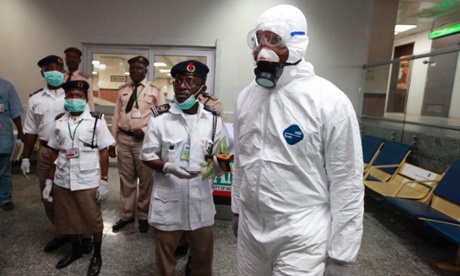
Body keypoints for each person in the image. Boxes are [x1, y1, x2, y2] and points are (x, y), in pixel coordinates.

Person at [231, 5, 364, 276]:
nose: (262, 50)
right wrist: (236, 209)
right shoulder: (247, 97)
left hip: (302, 232)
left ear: (297, 43)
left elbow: (347, 181)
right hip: (251, 230)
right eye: (258, 40)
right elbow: (241, 164)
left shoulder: (328, 101)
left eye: (275, 40)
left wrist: (342, 255)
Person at [140, 60, 227, 275]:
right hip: (169, 201)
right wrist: (168, 167)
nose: (181, 87)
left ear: (202, 89)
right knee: (165, 261)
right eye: (178, 81)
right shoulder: (160, 118)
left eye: (189, 82)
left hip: (201, 202)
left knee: (203, 260)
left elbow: (224, 156)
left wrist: (215, 167)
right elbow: (146, 156)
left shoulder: (213, 121)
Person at [44, 80, 114, 276]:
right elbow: (54, 153)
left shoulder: (96, 121)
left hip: (87, 179)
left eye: (79, 96)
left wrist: (104, 180)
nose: (75, 99)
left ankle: (97, 255)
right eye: (71, 96)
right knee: (68, 218)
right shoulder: (59, 122)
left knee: (93, 219)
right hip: (63, 177)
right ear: (66, 98)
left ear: (85, 99)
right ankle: (75, 250)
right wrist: (50, 181)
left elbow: (103, 152)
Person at [20, 55, 76, 252]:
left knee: (73, 195)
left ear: (63, 71)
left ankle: (81, 235)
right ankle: (62, 233)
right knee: (48, 194)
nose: (54, 71)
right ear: (43, 72)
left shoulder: (73, 94)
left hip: (69, 151)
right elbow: (30, 130)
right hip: (45, 151)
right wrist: (25, 156)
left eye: (57, 68)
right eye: (49, 68)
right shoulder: (35, 98)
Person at [109, 56, 165, 233]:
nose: (135, 71)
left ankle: (143, 215)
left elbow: (162, 118)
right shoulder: (123, 90)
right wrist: (113, 140)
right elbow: (116, 116)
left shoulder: (155, 91)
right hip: (124, 140)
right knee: (126, 179)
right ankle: (127, 215)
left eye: (139, 68)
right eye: (132, 68)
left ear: (145, 70)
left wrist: (146, 130)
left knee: (146, 180)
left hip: (145, 142)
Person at [0, 77, 24, 211]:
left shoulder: (6, 86)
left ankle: (5, 198)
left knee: (4, 170)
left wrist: (20, 131)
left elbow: (15, 110)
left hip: (2, 135)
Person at [64, 47, 95, 111]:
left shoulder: (85, 79)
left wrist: (91, 114)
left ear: (79, 60)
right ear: (65, 59)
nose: (71, 59)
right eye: (68, 57)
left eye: (74, 57)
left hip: (78, 112)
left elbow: (90, 99)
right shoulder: (61, 77)